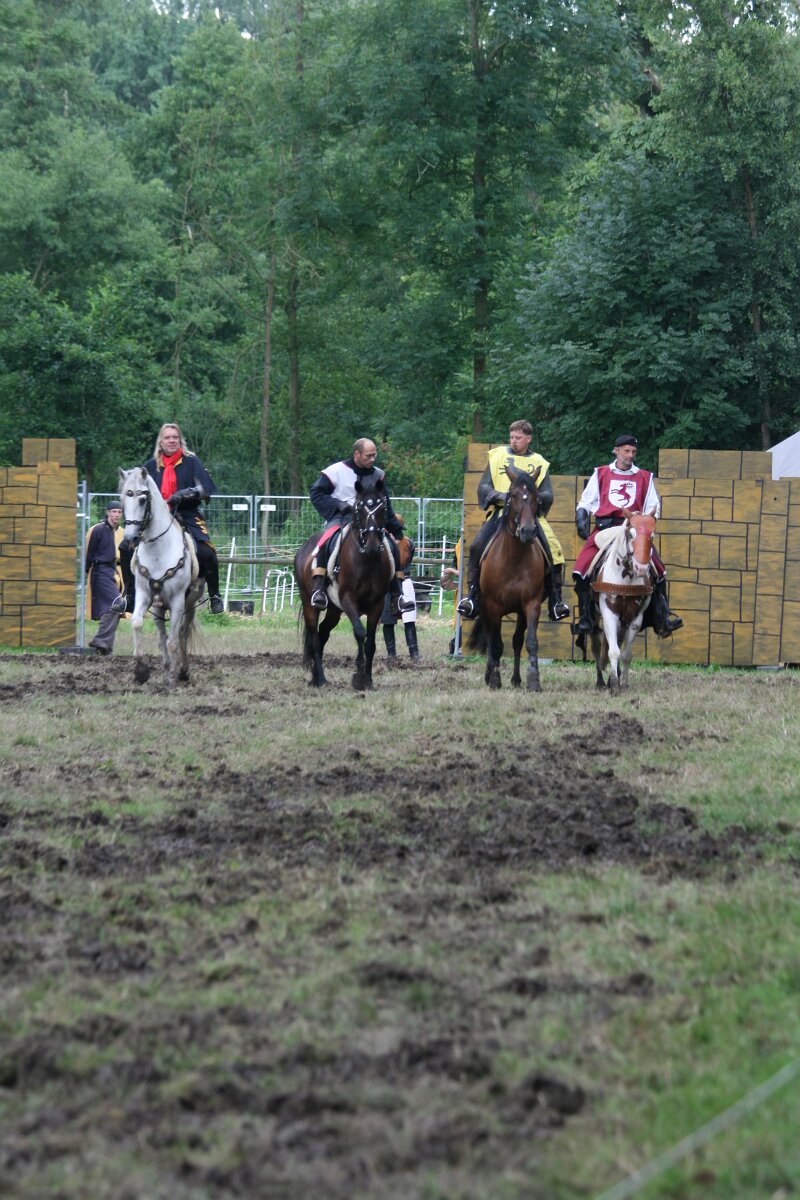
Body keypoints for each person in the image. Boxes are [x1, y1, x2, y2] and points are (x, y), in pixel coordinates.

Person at [457, 420, 570, 622]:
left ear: (529, 439)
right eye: (511, 437)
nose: (514, 441)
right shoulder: (498, 457)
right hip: (502, 514)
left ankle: (556, 601)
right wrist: (503, 496)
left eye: (518, 437)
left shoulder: (539, 462)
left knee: (554, 551)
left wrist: (531, 499)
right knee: (476, 547)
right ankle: (472, 596)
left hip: (530, 517)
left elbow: (548, 494)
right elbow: (484, 487)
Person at [573, 434, 683, 638]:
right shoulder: (601, 473)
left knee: (659, 571)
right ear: (616, 451)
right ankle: (586, 619)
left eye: (633, 452)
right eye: (626, 451)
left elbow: (653, 507)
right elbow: (586, 501)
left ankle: (662, 618)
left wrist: (644, 521)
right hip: (606, 529)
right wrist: (581, 515)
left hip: (634, 530)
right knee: (580, 570)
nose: (630, 455)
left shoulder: (644, 477)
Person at [113, 422, 224, 615]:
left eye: (175, 437)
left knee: (207, 551)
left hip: (186, 514)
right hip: (155, 519)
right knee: (125, 547)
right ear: (161, 442)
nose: (172, 441)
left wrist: (184, 494)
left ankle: (215, 595)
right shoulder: (150, 466)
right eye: (167, 437)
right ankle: (130, 596)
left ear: (180, 440)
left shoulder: (191, 462)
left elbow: (206, 487)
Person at [308, 438, 415, 613]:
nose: (372, 459)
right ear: (357, 454)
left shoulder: (378, 475)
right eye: (368, 456)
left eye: (374, 455)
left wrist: (395, 527)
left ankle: (397, 595)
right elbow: (316, 493)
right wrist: (337, 504)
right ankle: (318, 589)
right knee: (326, 541)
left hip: (369, 520)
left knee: (391, 546)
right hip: (342, 517)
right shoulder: (336, 471)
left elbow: (385, 503)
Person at [84, 500, 129, 654]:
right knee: (118, 604)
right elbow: (89, 554)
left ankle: (104, 648)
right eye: (114, 511)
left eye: (119, 512)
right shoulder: (98, 530)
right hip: (100, 572)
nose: (117, 515)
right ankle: (101, 641)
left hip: (112, 571)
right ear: (108, 512)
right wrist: (90, 573)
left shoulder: (118, 532)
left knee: (110, 610)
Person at [382, 535, 420, 661]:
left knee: (409, 619)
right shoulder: (381, 542)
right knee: (388, 621)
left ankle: (414, 653)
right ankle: (391, 654)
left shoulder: (408, 543)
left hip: (404, 581)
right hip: (387, 583)